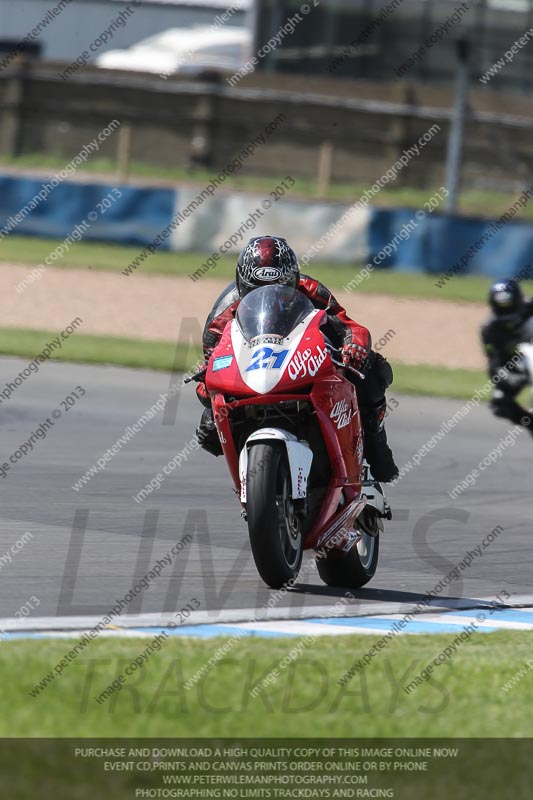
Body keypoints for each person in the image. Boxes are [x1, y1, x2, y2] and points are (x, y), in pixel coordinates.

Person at [195, 235, 399, 482]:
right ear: (242, 284)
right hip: (252, 373)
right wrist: (207, 382)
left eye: (280, 288)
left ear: (293, 280)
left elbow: (349, 328)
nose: (268, 297)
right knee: (209, 426)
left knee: (372, 369)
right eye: (256, 290)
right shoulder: (222, 315)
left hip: (301, 361)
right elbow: (211, 364)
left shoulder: (311, 291)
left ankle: (376, 445)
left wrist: (353, 347)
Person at [481, 279, 533, 430]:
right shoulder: (490, 330)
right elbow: (494, 364)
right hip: (518, 367)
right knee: (500, 404)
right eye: (502, 309)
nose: (508, 316)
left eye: (510, 307)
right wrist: (509, 378)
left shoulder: (530, 306)